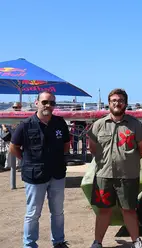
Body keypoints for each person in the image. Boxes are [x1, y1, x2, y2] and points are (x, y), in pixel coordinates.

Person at [9, 91, 70, 248]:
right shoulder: (25, 125)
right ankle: (29, 245)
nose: (48, 106)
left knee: (58, 212)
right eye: (44, 102)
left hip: (57, 173)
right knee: (33, 214)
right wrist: (27, 160)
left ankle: (58, 242)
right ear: (37, 103)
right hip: (35, 175)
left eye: (51, 103)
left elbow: (66, 144)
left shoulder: (59, 123)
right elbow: (13, 147)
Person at [87, 89, 142, 248]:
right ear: (109, 103)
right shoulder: (99, 125)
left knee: (129, 210)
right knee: (104, 211)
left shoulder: (135, 124)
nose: (117, 103)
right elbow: (92, 148)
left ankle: (136, 241)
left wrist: (127, 161)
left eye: (120, 100)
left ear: (125, 104)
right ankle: (97, 242)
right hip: (104, 175)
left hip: (128, 176)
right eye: (113, 100)